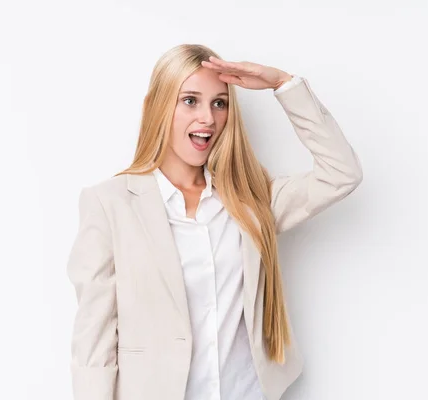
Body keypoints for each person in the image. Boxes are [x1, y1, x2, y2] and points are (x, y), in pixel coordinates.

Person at [66, 43, 363, 400]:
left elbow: (341, 173)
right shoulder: (110, 203)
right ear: (159, 106)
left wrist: (283, 84)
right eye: (190, 100)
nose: (207, 117)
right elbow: (93, 337)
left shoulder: (251, 199)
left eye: (219, 102)